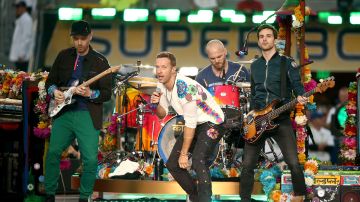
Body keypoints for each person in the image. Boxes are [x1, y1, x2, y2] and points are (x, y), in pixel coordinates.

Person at [44, 20, 112, 202]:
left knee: (90, 159)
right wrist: (55, 92)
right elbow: (50, 82)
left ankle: (84, 198)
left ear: (90, 37)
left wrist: (91, 92)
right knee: (53, 153)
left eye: (83, 38)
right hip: (63, 113)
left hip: (87, 114)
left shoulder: (100, 61)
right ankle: (49, 195)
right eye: (76, 39)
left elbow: (107, 93)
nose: (79, 42)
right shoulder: (63, 56)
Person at [240, 24, 308, 202]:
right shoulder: (255, 65)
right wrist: (251, 116)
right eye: (261, 36)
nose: (264, 39)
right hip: (258, 120)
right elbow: (254, 93)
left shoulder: (287, 62)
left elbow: (298, 87)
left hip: (282, 118)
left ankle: (300, 197)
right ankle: (244, 199)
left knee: (293, 162)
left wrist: (301, 97)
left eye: (268, 36)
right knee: (247, 165)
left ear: (275, 39)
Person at [150, 51, 226, 202]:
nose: (159, 71)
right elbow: (162, 114)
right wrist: (155, 105)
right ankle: (196, 196)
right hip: (196, 123)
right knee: (172, 164)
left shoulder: (184, 87)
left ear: (173, 69)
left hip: (213, 121)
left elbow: (190, 123)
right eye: (157, 67)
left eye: (164, 67)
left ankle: (205, 199)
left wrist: (184, 154)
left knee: (198, 160)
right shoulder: (162, 84)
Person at [196, 39, 250, 148]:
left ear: (225, 52)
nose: (216, 60)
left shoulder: (240, 70)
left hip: (238, 118)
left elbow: (251, 94)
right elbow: (198, 102)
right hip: (212, 120)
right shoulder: (201, 76)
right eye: (212, 58)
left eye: (219, 56)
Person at [9, 1, 33, 72]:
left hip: (22, 56)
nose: (17, 9)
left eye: (18, 7)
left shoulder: (26, 20)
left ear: (23, 8)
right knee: (19, 76)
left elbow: (26, 37)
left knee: (22, 76)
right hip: (19, 54)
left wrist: (22, 54)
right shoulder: (21, 19)